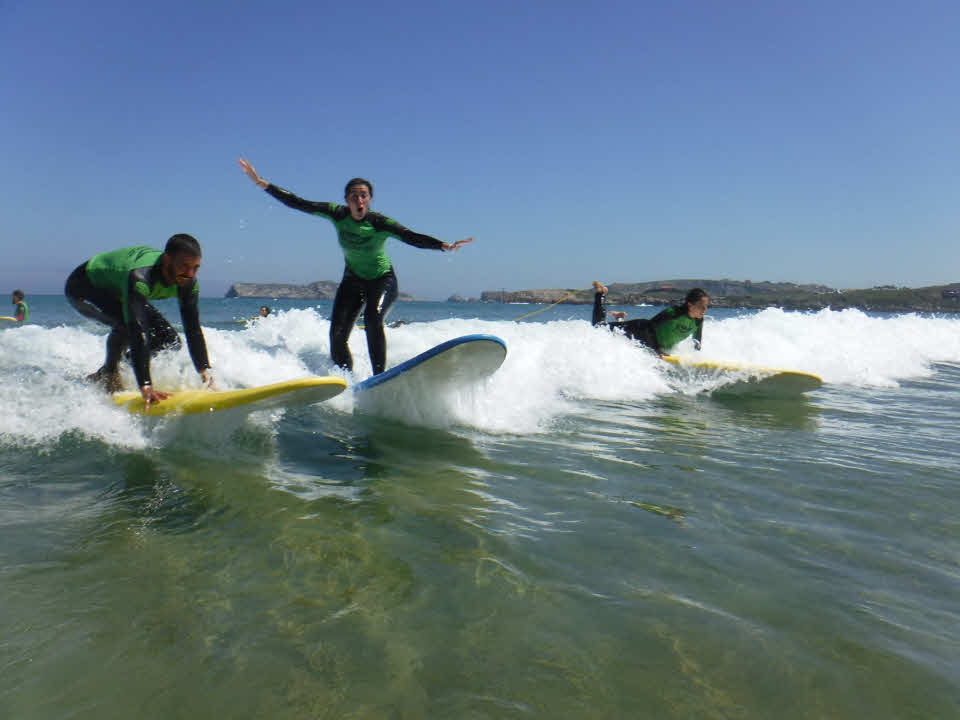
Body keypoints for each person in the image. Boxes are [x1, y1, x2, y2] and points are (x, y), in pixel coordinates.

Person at [239, 158, 473, 375]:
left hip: (382, 280)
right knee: (337, 336)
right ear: (346, 200)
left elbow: (410, 236)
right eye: (354, 196)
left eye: (363, 196)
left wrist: (444, 246)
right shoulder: (337, 214)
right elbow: (300, 203)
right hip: (352, 280)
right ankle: (347, 379)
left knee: (373, 319)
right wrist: (261, 183)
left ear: (369, 199)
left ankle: (379, 377)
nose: (359, 200)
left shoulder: (379, 223)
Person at [65, 234, 214, 408]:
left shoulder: (188, 283)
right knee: (127, 325)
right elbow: (137, 329)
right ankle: (110, 374)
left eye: (196, 268)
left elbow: (193, 329)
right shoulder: (141, 275)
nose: (190, 274)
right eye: (184, 266)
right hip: (84, 285)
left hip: (120, 289)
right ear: (167, 260)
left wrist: (205, 373)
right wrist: (146, 385)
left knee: (169, 341)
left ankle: (113, 370)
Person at [592, 281, 708, 356]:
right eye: (701, 307)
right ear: (690, 305)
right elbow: (650, 327)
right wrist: (657, 350)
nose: (704, 310)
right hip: (639, 329)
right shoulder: (674, 313)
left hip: (649, 341)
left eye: (706, 307)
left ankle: (619, 318)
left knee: (619, 336)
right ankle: (600, 293)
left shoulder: (698, 320)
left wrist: (696, 358)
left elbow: (697, 342)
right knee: (599, 327)